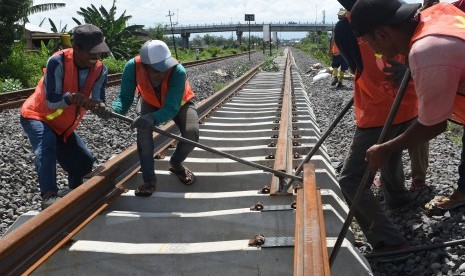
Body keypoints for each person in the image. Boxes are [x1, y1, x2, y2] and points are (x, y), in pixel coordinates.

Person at [333, 0, 427, 257]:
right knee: (390, 152)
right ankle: (397, 199)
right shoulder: (394, 14)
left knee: (352, 180)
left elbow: (355, 66)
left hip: (376, 110)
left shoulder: (346, 28)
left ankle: (390, 241)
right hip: (408, 105)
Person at [351, 0, 465, 211]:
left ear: (383, 34)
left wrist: (385, 148)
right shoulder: (434, 15)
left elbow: (435, 125)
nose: (373, 51)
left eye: (368, 42)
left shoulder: (427, 51)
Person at [20, 24, 111, 209]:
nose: (96, 57)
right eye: (91, 53)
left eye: (99, 53)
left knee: (84, 161)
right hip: (37, 115)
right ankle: (49, 196)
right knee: (47, 147)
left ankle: (74, 193)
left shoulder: (101, 70)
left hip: (63, 126)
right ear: (76, 48)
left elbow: (98, 99)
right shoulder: (58, 61)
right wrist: (70, 98)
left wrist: (101, 108)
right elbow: (52, 100)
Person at [111, 40, 199, 196]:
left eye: (166, 67)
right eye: (158, 70)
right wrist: (113, 110)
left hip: (180, 103)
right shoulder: (132, 67)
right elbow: (125, 98)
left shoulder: (178, 71)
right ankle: (149, 180)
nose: (163, 72)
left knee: (191, 133)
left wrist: (152, 118)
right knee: (143, 137)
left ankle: (176, 163)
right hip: (150, 101)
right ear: (145, 66)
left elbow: (171, 108)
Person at [329, 8, 350, 88]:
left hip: (336, 50)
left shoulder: (336, 25)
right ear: (345, 16)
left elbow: (332, 38)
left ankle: (335, 77)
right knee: (343, 67)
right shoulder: (348, 25)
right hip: (345, 50)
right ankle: (340, 82)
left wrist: (330, 49)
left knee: (335, 65)